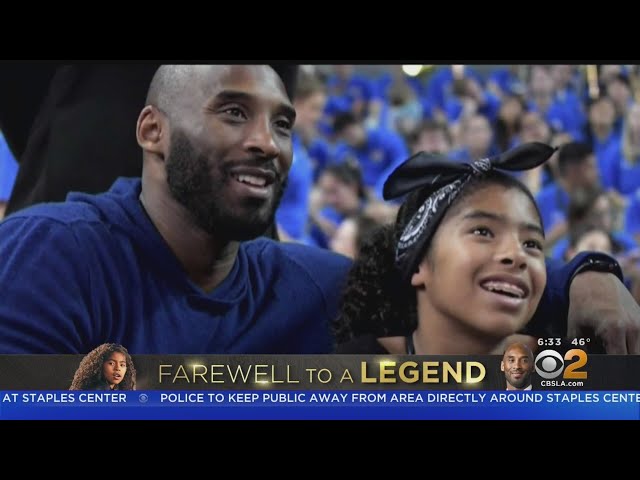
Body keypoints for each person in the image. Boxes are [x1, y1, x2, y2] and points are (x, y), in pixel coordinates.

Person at [0, 65, 351, 354]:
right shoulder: (46, 255)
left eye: (282, 125)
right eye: (234, 113)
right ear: (152, 130)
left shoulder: (314, 286)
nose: (268, 143)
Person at [334, 142, 621, 354]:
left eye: (532, 243)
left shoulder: (570, 367)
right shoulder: (351, 378)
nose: (517, 255)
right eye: (483, 232)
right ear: (420, 262)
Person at [69, 343, 136, 390]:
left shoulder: (114, 390)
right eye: (111, 363)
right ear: (100, 365)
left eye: (122, 365)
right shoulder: (97, 390)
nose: (118, 368)